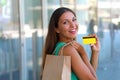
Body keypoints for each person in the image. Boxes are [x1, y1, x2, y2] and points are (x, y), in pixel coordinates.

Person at [41, 7, 100, 80]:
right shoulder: (68, 50)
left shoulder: (57, 47)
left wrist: (95, 51)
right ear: (57, 29)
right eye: (65, 22)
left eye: (74, 20)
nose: (73, 25)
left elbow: (88, 73)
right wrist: (83, 54)